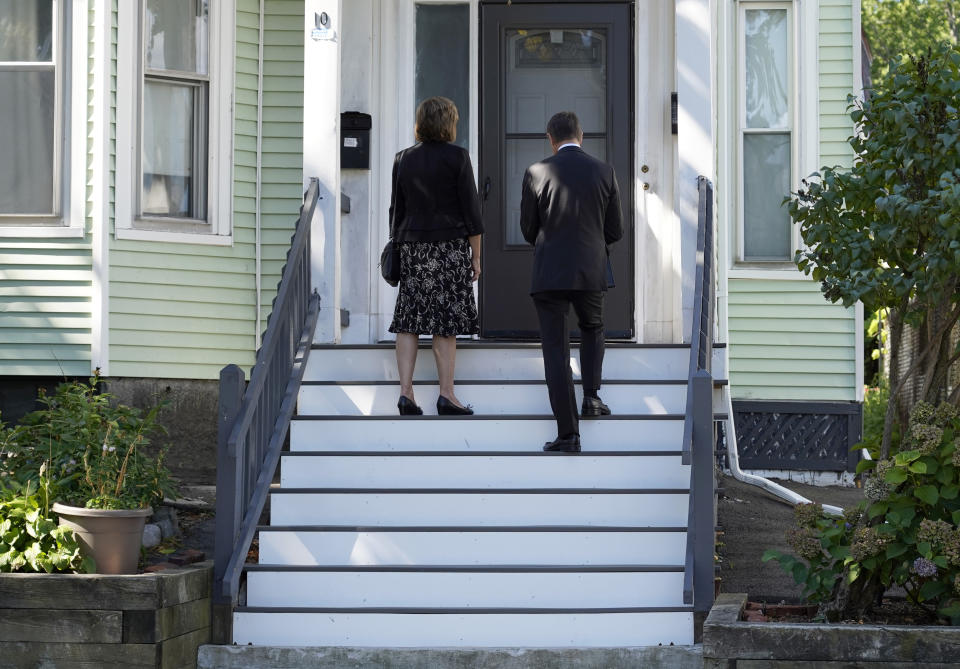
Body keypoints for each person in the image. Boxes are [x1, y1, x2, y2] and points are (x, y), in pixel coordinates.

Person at [520, 111, 624, 452]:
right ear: (581, 136)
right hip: (590, 268)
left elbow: (528, 229)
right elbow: (615, 230)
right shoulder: (604, 171)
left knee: (555, 350)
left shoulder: (536, 172)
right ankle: (592, 396)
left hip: (549, 271)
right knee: (593, 327)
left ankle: (569, 434)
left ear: (551, 139)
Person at [389, 96, 483, 416]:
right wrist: (477, 257)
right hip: (449, 248)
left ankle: (406, 394)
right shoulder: (458, 158)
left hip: (414, 248)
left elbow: (396, 211)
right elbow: (472, 213)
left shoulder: (403, 159)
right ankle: (446, 395)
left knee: (409, 320)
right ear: (449, 123)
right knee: (446, 323)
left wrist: (399, 249)